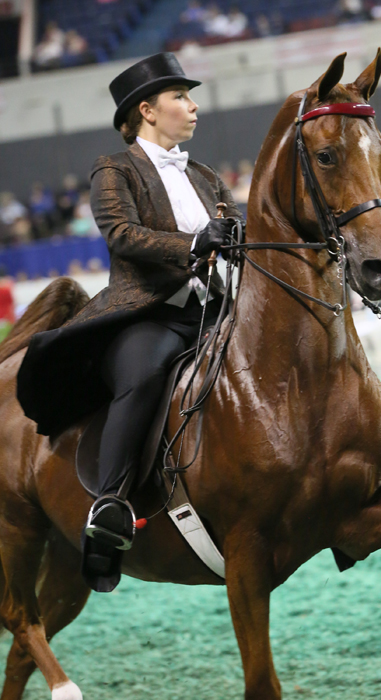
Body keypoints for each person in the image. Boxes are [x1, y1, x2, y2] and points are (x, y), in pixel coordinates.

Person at [17, 52, 243, 592]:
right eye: (181, 99)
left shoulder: (205, 175)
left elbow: (233, 226)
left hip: (215, 313)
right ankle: (109, 508)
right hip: (149, 315)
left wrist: (237, 234)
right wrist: (194, 242)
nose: (192, 108)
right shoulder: (113, 169)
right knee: (143, 374)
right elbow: (122, 235)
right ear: (147, 110)